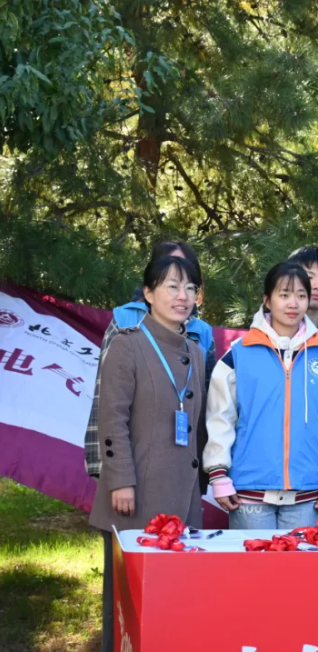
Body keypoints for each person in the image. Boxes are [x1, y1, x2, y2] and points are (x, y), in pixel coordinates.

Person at [88, 256, 208, 652]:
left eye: (190, 288)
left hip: (182, 493)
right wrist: (120, 480)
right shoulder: (127, 345)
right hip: (136, 493)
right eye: (172, 286)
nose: (182, 296)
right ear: (148, 293)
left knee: (176, 604)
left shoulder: (196, 351)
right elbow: (112, 419)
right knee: (129, 604)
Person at [203, 263, 318, 529]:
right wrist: (218, 473)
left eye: (301, 295)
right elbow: (220, 417)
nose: (293, 303)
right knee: (252, 559)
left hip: (308, 494)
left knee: (303, 560)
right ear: (267, 300)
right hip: (248, 491)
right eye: (284, 294)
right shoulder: (239, 353)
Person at [84, 241, 215, 482]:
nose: (180, 288)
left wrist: (208, 467)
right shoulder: (126, 319)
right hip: (135, 455)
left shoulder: (202, 332)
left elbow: (208, 402)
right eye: (171, 278)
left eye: (187, 276)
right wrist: (103, 462)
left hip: (183, 461)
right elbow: (107, 397)